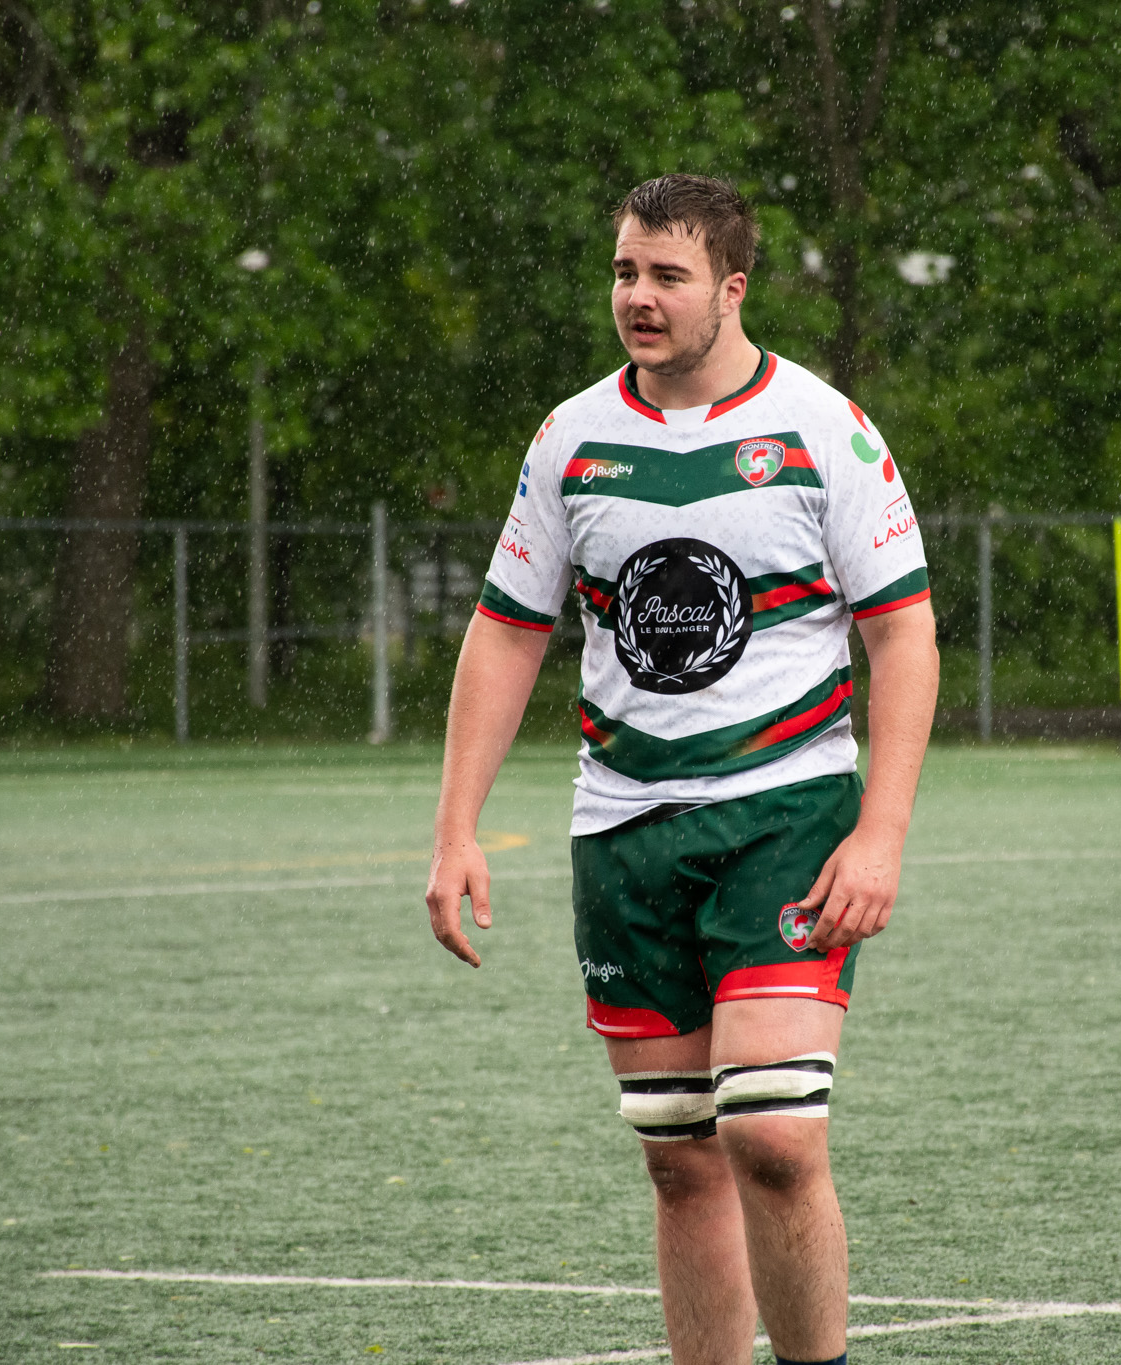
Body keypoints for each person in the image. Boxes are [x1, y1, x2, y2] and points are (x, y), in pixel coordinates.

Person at [424, 173, 940, 1365]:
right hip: (622, 831)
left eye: (667, 276)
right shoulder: (570, 439)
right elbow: (507, 632)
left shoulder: (822, 429)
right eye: (623, 272)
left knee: (772, 1136)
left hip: (784, 816)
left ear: (732, 288)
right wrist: (455, 827)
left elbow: (900, 632)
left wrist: (882, 831)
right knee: (677, 1157)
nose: (638, 299)